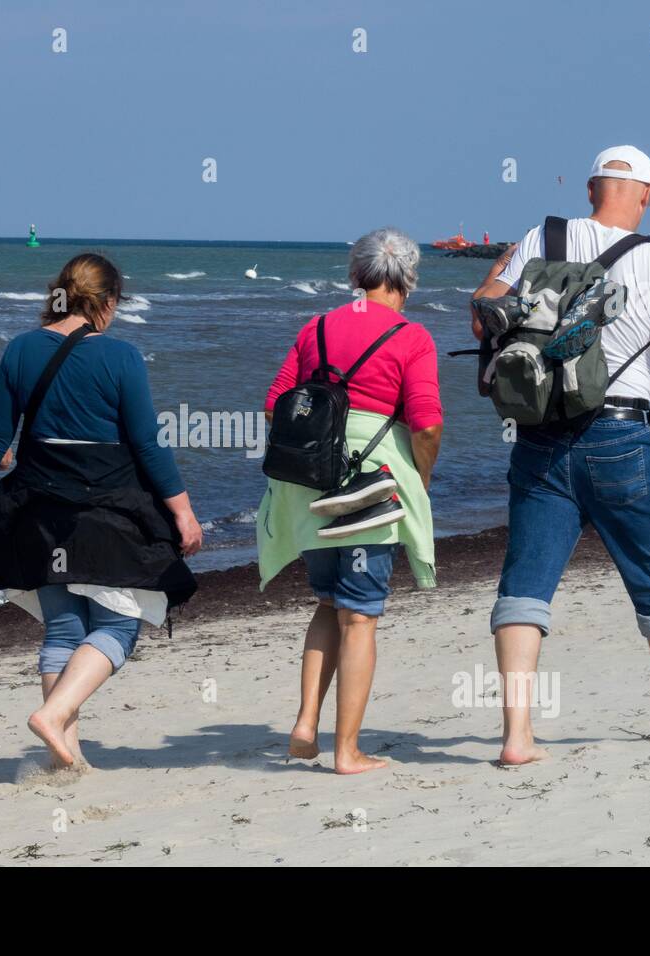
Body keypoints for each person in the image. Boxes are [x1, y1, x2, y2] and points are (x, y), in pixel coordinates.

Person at [471, 146, 650, 765]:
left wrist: (509, 270)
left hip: (539, 434)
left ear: (591, 189)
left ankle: (516, 736)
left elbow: (483, 317)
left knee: (526, 582)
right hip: (620, 439)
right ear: (648, 196)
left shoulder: (542, 236)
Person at [0, 253, 201, 769]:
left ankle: (65, 756)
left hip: (39, 512)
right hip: (106, 512)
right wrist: (182, 511)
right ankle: (53, 717)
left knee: (64, 630)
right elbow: (147, 444)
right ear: (107, 302)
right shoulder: (121, 357)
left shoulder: (21, 350)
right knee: (120, 625)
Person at [259, 228, 443, 774]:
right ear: (408, 279)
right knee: (359, 616)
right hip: (369, 485)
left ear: (355, 275)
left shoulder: (315, 327)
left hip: (309, 481)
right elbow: (427, 424)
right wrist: (421, 478)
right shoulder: (412, 337)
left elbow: (275, 405)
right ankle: (346, 751)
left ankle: (305, 723)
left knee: (328, 603)